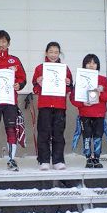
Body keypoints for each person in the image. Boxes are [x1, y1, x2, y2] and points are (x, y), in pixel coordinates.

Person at [0, 30, 27, 172]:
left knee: (11, 130)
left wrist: (19, 85)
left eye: (3, 42)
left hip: (10, 101)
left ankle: (11, 160)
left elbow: (22, 78)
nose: (1, 44)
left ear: (8, 43)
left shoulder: (15, 60)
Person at [32, 41, 73, 171]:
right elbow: (35, 89)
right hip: (44, 105)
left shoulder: (64, 68)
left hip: (60, 105)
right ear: (46, 53)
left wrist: (68, 83)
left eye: (56, 52)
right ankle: (43, 160)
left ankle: (58, 160)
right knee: (44, 133)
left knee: (58, 134)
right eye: (51, 52)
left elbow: (69, 88)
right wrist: (39, 83)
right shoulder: (40, 68)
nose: (53, 55)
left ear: (59, 53)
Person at [70, 54, 107, 168]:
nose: (91, 65)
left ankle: (97, 158)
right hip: (85, 114)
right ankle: (88, 158)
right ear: (84, 65)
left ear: (97, 66)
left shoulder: (103, 80)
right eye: (89, 63)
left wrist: (101, 93)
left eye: (94, 63)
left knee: (98, 136)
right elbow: (73, 98)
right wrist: (82, 103)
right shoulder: (80, 80)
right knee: (87, 136)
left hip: (99, 114)